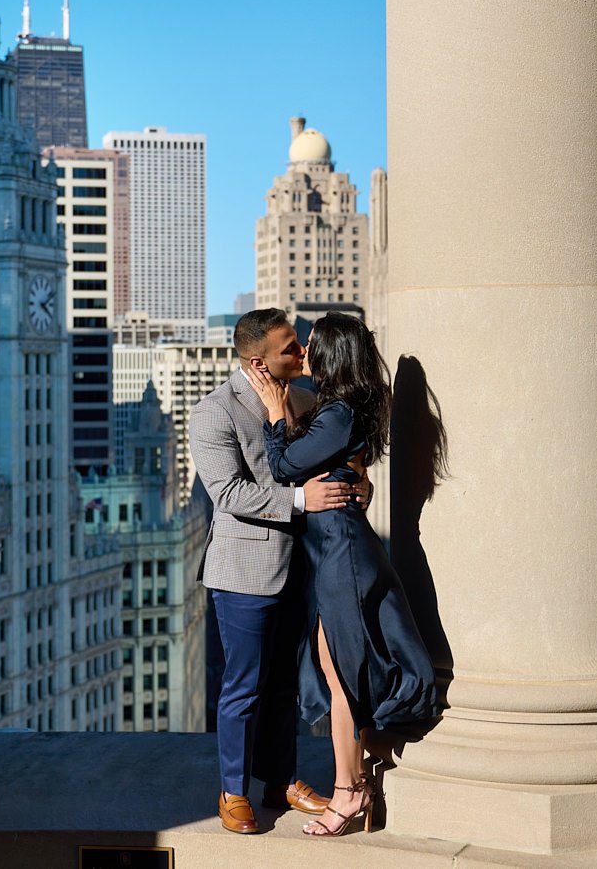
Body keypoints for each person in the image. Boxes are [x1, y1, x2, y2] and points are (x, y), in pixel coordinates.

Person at [248, 311, 437, 837]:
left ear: (333, 355)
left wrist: (274, 413)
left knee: (344, 675)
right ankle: (358, 785)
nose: (304, 353)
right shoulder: (341, 410)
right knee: (337, 672)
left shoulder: (337, 414)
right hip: (335, 551)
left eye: (312, 346)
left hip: (342, 556)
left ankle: (348, 793)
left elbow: (284, 470)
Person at [188, 308, 372, 834]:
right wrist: (300, 499)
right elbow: (229, 493)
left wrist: (359, 485)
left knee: (286, 685)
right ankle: (231, 791)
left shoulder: (308, 400)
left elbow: (341, 461)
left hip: (303, 566)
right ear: (258, 362)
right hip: (244, 572)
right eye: (291, 348)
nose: (303, 352)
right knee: (243, 686)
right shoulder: (213, 414)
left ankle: (281, 781)